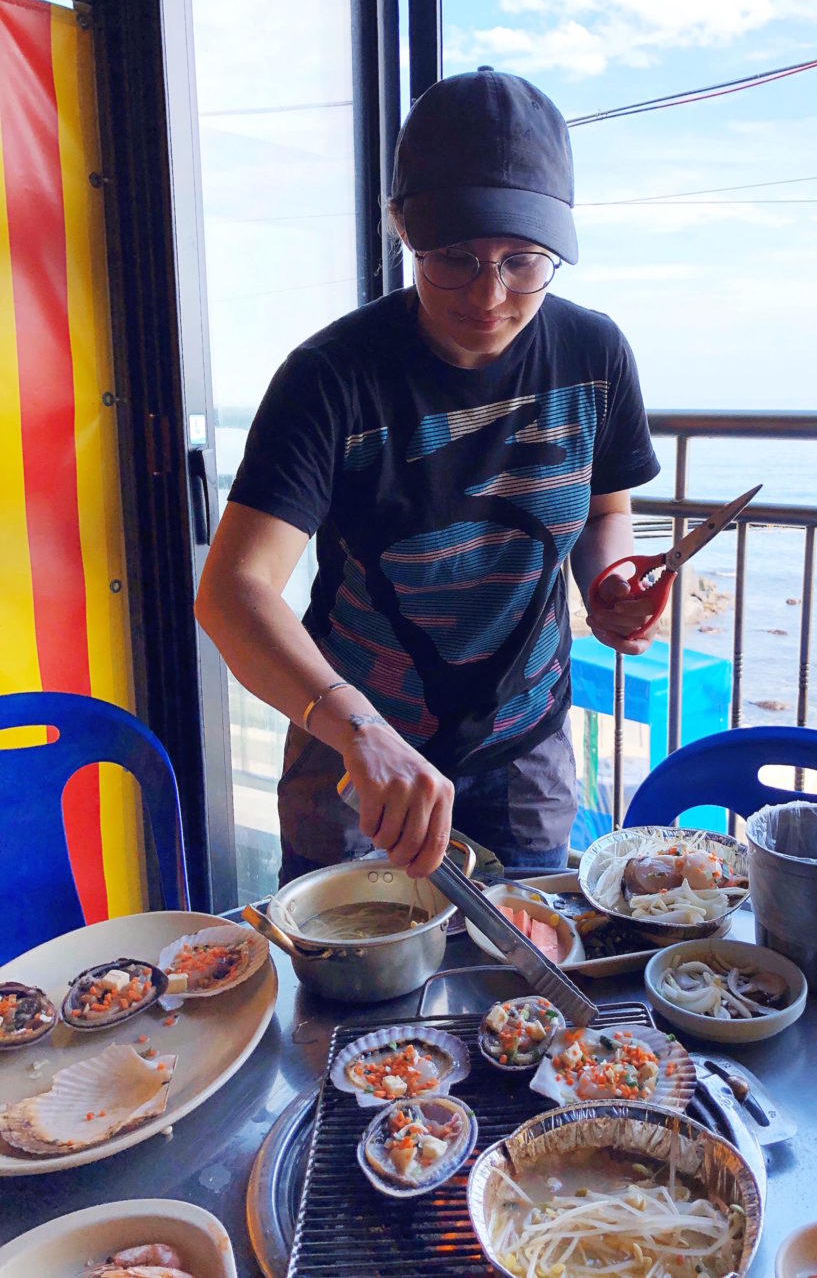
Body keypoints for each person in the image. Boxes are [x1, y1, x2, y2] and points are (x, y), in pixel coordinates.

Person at [194, 67, 665, 886]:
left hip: (522, 749)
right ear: (402, 231)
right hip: (354, 751)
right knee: (347, 987)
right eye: (454, 258)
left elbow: (601, 512)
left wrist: (610, 583)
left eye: (523, 261)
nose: (490, 294)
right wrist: (357, 731)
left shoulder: (593, 356)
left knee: (519, 980)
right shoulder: (332, 375)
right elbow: (233, 591)